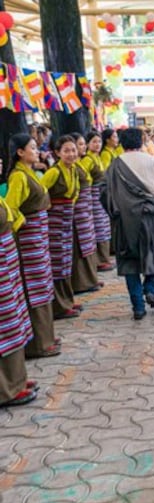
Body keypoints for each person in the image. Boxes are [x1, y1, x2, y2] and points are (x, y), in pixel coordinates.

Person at [106, 128, 154, 320]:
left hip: (125, 219)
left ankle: (138, 307)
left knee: (129, 262)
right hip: (149, 215)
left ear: (121, 143)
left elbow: (106, 193)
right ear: (141, 141)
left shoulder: (114, 165)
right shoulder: (152, 161)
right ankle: (150, 288)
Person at [5, 134, 60, 358]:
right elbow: (10, 208)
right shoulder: (18, 177)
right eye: (33, 148)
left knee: (43, 287)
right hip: (29, 241)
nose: (37, 151)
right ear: (20, 152)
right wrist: (23, 222)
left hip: (39, 238)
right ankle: (38, 343)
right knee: (35, 290)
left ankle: (46, 336)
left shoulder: (30, 173)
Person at [0, 195, 37, 406]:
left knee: (13, 321)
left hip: (7, 258)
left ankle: (16, 380)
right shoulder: (19, 178)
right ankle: (6, 389)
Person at [40, 135, 81, 319]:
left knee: (66, 262)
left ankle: (67, 300)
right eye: (66, 151)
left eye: (73, 150)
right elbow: (40, 192)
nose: (71, 154)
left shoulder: (72, 170)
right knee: (57, 264)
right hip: (55, 223)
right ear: (57, 153)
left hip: (66, 221)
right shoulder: (54, 172)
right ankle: (59, 305)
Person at [71, 133, 101, 295]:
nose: (79, 149)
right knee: (79, 246)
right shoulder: (71, 166)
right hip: (76, 211)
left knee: (88, 243)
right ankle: (81, 282)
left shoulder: (80, 164)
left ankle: (90, 278)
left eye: (82, 145)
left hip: (85, 207)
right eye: (79, 145)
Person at [83, 131, 114, 271]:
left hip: (102, 195)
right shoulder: (87, 160)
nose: (97, 144)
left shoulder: (97, 157)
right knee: (99, 227)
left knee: (104, 227)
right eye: (94, 142)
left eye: (99, 142)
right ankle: (100, 259)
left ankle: (105, 257)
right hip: (94, 197)